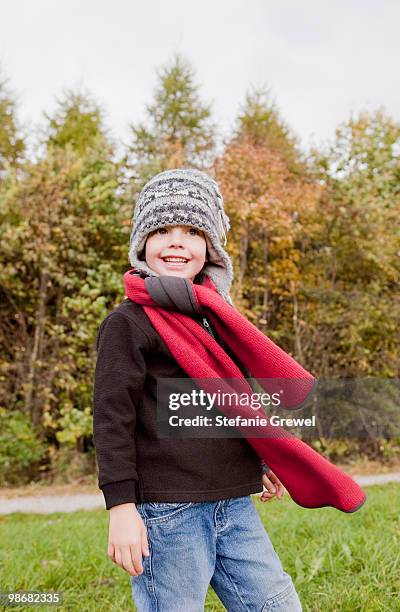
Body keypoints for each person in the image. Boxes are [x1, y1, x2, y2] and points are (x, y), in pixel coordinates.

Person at [93, 168, 303, 611]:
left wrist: (261, 455)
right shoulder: (127, 324)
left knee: (277, 605)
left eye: (191, 231)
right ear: (141, 243)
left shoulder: (217, 316)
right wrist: (121, 508)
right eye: (161, 230)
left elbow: (235, 398)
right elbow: (112, 419)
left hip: (233, 502)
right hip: (168, 512)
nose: (176, 241)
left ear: (209, 247)